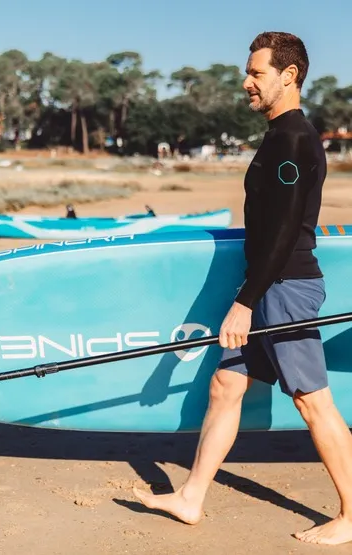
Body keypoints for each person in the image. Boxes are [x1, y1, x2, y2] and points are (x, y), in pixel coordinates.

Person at [133, 31, 352, 546]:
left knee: (312, 401)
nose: (246, 82)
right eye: (247, 72)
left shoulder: (293, 139)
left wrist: (244, 303)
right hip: (269, 284)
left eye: (256, 73)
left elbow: (283, 233)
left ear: (288, 75)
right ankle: (191, 497)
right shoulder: (279, 136)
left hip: (286, 288)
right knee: (226, 386)